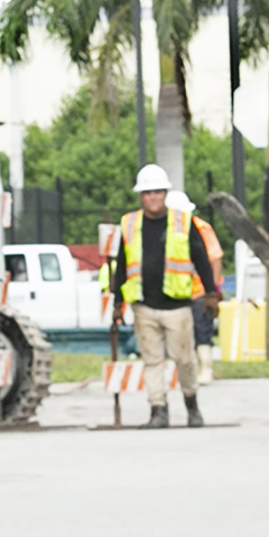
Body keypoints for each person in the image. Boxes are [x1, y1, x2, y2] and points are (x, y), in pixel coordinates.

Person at [104, 164, 218, 427]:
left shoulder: (183, 223)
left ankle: (192, 406)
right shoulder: (130, 224)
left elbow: (201, 258)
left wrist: (211, 293)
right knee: (152, 361)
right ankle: (158, 411)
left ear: (165, 193)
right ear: (141, 196)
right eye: (147, 193)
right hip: (144, 306)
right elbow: (122, 264)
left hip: (177, 308)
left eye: (157, 191)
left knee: (185, 360)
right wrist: (118, 302)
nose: (152, 197)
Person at [169, 189, 226, 383]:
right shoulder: (166, 230)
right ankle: (186, 371)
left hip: (199, 291)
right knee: (181, 335)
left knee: (202, 330)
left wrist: (213, 290)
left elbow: (215, 257)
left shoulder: (200, 228)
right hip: (175, 292)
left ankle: (205, 369)